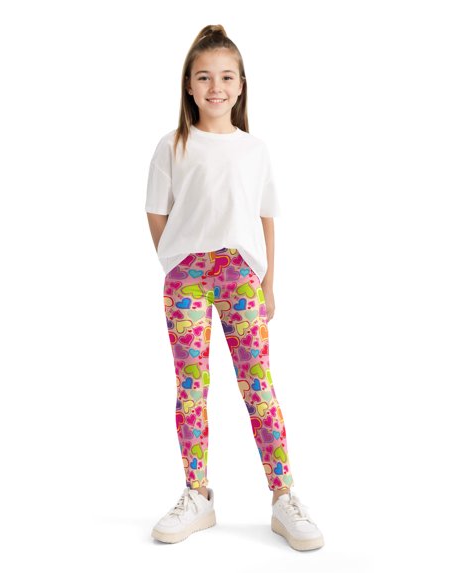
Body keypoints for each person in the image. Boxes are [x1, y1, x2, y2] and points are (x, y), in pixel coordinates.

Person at [145, 24, 324, 552]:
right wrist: (177, 260)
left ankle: (283, 495)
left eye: (226, 77)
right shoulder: (173, 145)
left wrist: (269, 283)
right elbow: (157, 213)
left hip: (240, 275)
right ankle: (197, 493)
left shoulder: (254, 150)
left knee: (257, 385)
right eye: (204, 77)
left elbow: (266, 216)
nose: (215, 87)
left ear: (241, 85)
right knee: (191, 388)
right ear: (189, 85)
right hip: (187, 279)